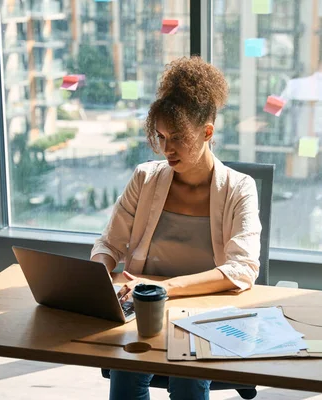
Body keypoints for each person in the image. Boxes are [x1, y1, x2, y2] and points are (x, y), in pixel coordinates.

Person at [90, 56, 262, 400]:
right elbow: (109, 244)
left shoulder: (239, 188)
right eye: (161, 136)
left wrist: (164, 288)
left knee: (188, 380)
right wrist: (94, 282)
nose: (167, 149)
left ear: (207, 132)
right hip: (141, 306)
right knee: (126, 377)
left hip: (203, 309)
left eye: (177, 137)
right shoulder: (145, 177)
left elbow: (243, 269)